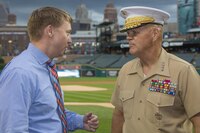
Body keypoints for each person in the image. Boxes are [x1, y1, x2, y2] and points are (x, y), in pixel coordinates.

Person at [0, 7, 99, 133]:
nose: (70, 40)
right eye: (67, 33)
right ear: (50, 31)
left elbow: (47, 114)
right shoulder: (20, 72)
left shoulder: (46, 66)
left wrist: (79, 121)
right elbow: (12, 129)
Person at [111, 6, 200, 133]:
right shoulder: (126, 70)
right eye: (128, 33)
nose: (128, 38)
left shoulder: (183, 71)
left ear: (155, 33)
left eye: (134, 33)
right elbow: (118, 115)